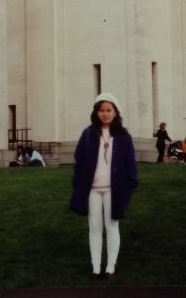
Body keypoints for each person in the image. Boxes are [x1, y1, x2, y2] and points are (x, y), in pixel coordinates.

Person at [69, 93, 138, 282]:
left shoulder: (124, 137)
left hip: (113, 190)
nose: (105, 114)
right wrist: (78, 181)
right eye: (102, 110)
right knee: (94, 227)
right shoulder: (89, 134)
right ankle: (96, 266)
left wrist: (127, 190)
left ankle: (110, 266)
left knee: (112, 226)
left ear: (115, 112)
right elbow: (79, 159)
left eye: (109, 110)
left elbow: (130, 166)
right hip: (92, 189)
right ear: (96, 112)